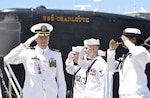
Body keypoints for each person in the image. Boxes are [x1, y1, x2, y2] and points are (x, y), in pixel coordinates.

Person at [4, 23, 66, 98]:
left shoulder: (56, 55)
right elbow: (7, 59)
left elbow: (61, 81)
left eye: (46, 36)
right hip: (32, 95)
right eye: (40, 37)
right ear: (35, 38)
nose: (44, 40)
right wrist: (24, 45)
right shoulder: (28, 53)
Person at [107, 28, 150, 98]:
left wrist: (126, 41)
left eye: (123, 39)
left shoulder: (141, 51)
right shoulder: (127, 56)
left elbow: (137, 53)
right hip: (124, 95)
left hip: (138, 95)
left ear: (133, 39)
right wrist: (111, 51)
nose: (122, 42)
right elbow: (111, 68)